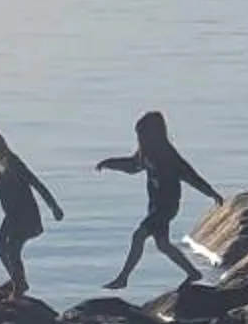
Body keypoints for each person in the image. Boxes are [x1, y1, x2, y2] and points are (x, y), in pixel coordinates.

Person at [96, 110, 223, 291]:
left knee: (139, 235)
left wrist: (211, 193)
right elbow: (132, 166)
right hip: (155, 206)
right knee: (163, 245)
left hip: (166, 207)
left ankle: (123, 278)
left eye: (143, 135)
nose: (140, 140)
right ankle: (193, 273)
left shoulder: (169, 156)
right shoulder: (146, 154)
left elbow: (191, 176)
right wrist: (109, 163)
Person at [0, 129, 65, 301]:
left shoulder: (14, 164)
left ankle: (19, 287)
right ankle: (16, 280)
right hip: (11, 216)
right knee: (1, 249)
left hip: (25, 217)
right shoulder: (1, 163)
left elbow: (37, 184)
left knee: (13, 250)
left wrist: (54, 207)